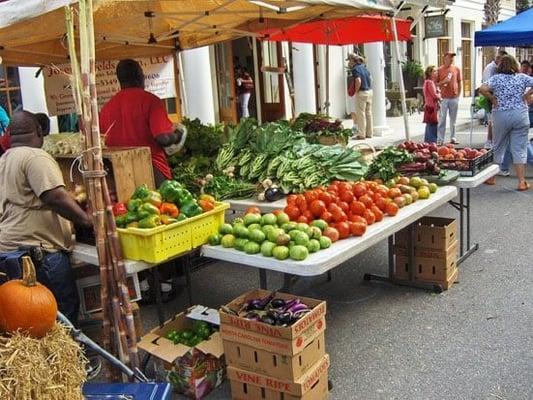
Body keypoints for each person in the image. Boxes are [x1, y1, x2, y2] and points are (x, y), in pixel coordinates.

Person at [0, 111, 92, 323]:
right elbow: (55, 197)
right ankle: (68, 356)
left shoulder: (4, 160)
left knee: (27, 322)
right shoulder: (36, 157)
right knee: (60, 315)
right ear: (40, 131)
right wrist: (87, 220)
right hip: (39, 253)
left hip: (10, 251)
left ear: (9, 133)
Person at [99, 59, 184, 187]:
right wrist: (178, 134)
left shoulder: (106, 108)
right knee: (162, 204)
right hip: (151, 170)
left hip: (119, 174)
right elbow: (163, 138)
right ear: (140, 76)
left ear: (119, 80)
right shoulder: (151, 101)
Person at [479, 55, 533, 191]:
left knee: (498, 145)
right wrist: (527, 95)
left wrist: (492, 98)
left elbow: (482, 89)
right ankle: (521, 181)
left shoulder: (496, 79)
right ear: (515, 65)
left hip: (501, 114)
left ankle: (491, 177)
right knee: (519, 148)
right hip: (520, 114)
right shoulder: (521, 77)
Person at [482, 50, 507, 149]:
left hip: (496, 97)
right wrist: (492, 98)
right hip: (491, 96)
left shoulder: (497, 68)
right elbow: (486, 86)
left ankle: (495, 140)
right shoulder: (491, 68)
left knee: (495, 120)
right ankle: (489, 141)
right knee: (492, 120)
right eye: (503, 60)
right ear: (498, 59)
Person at [437, 52, 462, 145]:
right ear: (445, 58)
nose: (451, 59)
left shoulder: (456, 69)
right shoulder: (439, 70)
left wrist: (459, 93)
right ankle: (440, 139)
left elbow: (459, 81)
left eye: (452, 58)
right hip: (444, 97)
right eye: (449, 57)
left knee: (453, 119)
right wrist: (443, 82)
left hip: (454, 97)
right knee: (442, 119)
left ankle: (453, 137)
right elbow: (435, 84)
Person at [349, 54, 373, 139]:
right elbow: (370, 78)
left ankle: (361, 134)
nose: (349, 62)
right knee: (368, 113)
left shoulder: (355, 69)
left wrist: (356, 91)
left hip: (361, 92)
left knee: (361, 114)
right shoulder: (364, 67)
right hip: (369, 91)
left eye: (349, 60)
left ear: (352, 60)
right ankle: (369, 133)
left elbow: (358, 80)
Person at [423, 66, 441, 143]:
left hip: (430, 105)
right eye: (434, 71)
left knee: (430, 123)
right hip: (432, 106)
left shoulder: (428, 82)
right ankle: (431, 141)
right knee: (432, 124)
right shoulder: (429, 82)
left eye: (436, 71)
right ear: (429, 73)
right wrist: (439, 95)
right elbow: (434, 95)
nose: (436, 73)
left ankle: (428, 141)